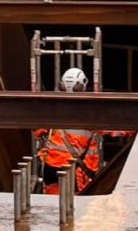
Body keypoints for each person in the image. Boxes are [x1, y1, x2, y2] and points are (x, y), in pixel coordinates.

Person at [35, 66, 103, 194]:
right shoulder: (90, 114)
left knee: (51, 206)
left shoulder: (52, 109)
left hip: (51, 169)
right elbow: (115, 127)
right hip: (75, 172)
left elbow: (37, 128)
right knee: (72, 208)